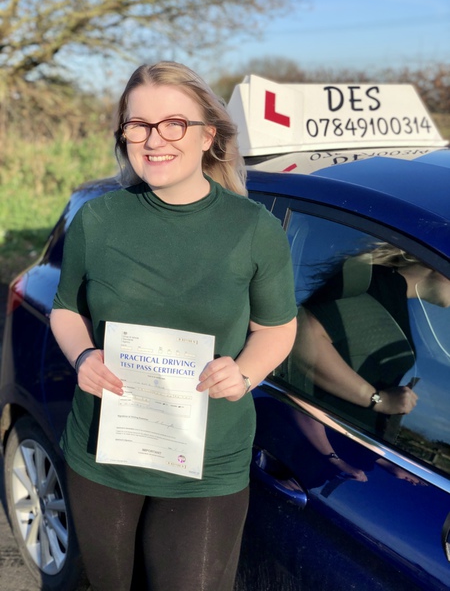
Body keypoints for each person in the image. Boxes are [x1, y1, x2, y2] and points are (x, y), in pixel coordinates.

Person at [50, 61, 298, 591]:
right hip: (104, 450)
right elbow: (66, 308)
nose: (153, 139)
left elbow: (277, 329)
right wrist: (83, 356)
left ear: (209, 135)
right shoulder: (97, 220)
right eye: (138, 125)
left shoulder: (253, 228)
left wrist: (245, 374)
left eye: (173, 124)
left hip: (206, 459)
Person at [289, 244, 450, 439]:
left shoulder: (400, 300)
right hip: (320, 437)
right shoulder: (378, 286)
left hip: (344, 440)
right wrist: (378, 400)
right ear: (437, 261)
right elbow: (303, 338)